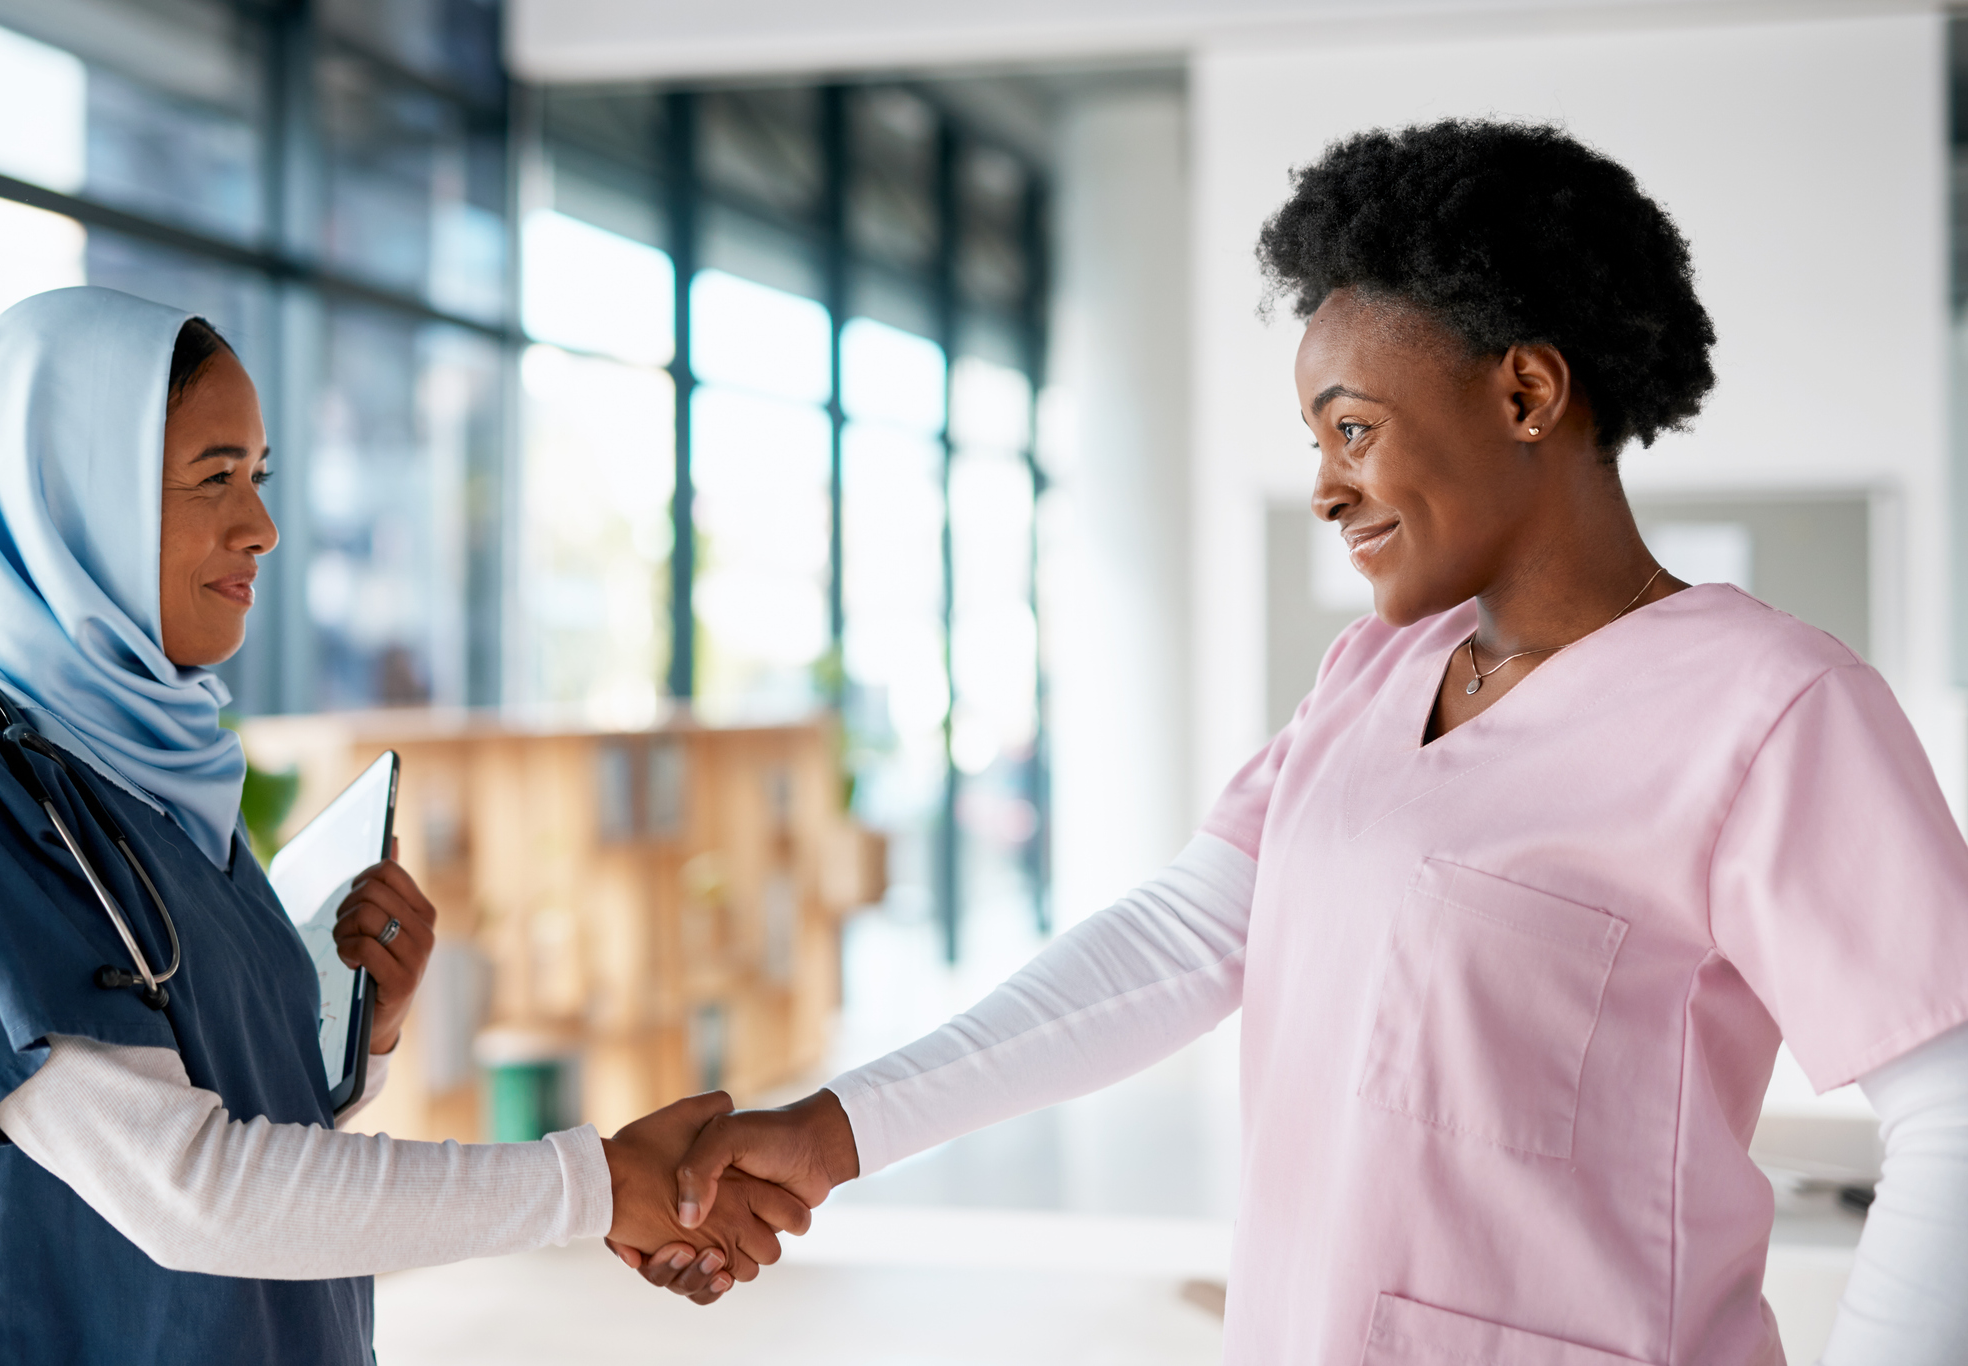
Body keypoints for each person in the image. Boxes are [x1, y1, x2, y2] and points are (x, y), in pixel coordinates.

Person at [623, 121, 1968, 1364]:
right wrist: (831, 1131)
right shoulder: (1370, 674)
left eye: (1351, 427)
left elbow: (1953, 1120)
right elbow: (1176, 940)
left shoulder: (1768, 706)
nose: (1324, 484)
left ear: (1524, 392)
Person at [0, 286, 802, 1365]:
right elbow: (188, 1189)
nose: (260, 528)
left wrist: (365, 1040)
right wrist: (593, 1185)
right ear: (67, 495)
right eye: (212, 476)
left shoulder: (153, 781)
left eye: (257, 477)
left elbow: (243, 1138)